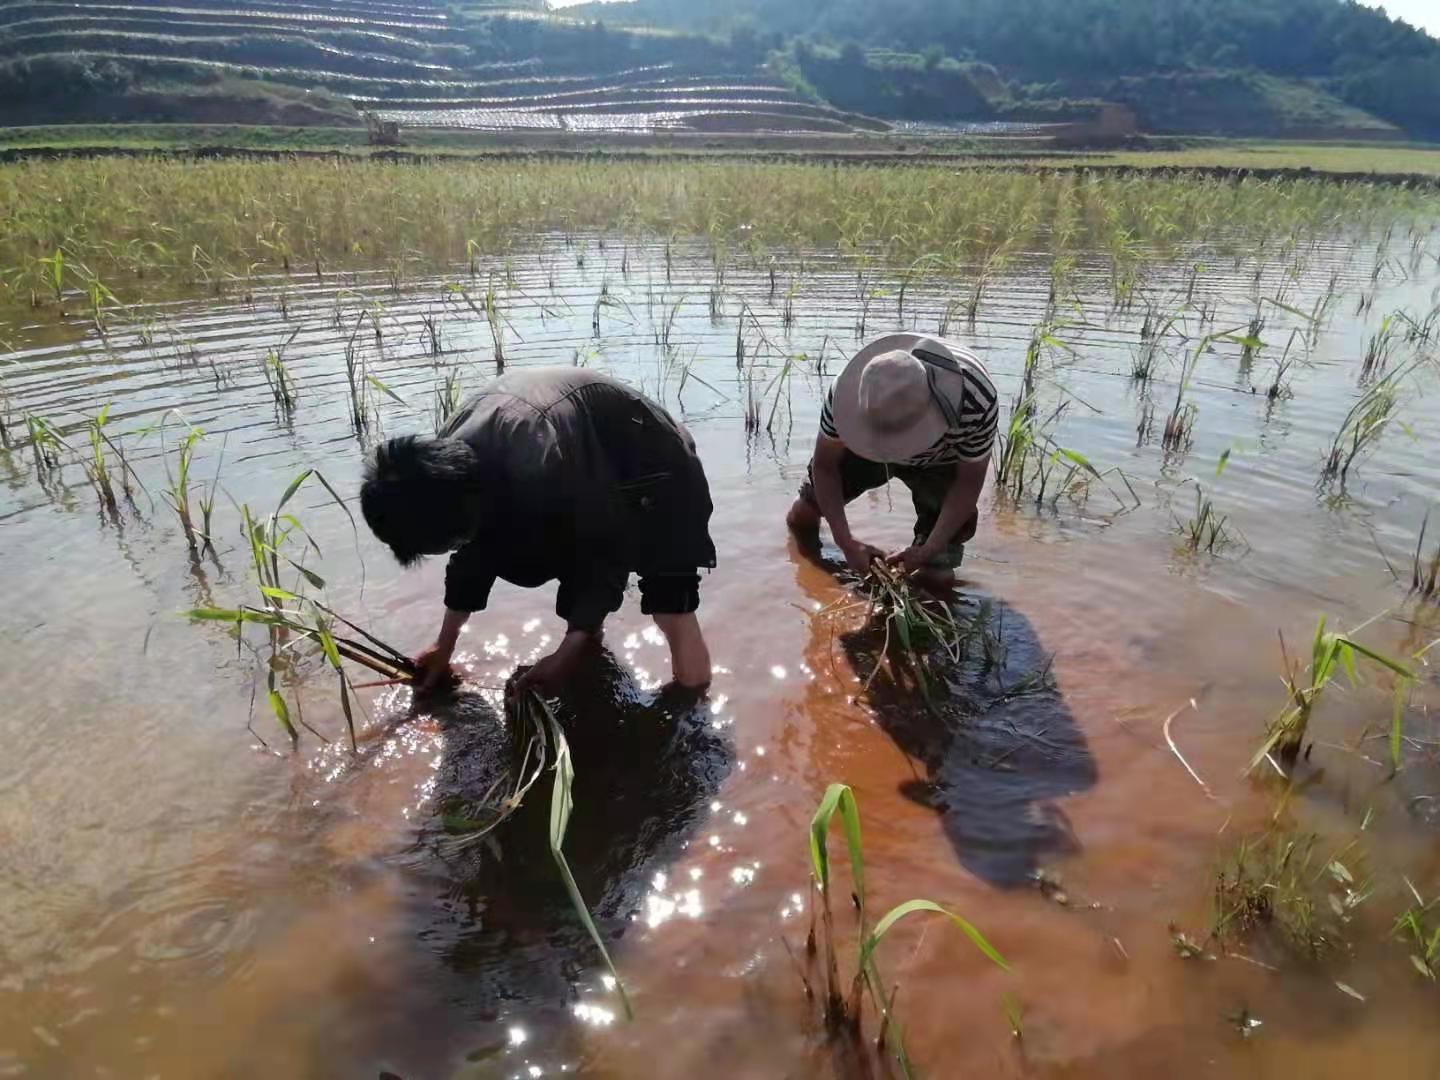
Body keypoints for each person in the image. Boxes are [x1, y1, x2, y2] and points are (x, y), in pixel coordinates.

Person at [360, 369, 716, 693]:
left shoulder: (541, 462)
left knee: (672, 606)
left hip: (654, 466)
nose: (457, 547)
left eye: (451, 541)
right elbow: (473, 554)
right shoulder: (440, 473)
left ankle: (691, 711)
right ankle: (587, 657)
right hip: (582, 459)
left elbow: (603, 553)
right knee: (578, 603)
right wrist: (445, 645)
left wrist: (565, 651)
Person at [787, 333, 997, 592]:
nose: (897, 452)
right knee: (803, 514)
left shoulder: (976, 402)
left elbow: (968, 483)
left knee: (937, 577)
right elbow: (824, 466)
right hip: (868, 445)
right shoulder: (846, 393)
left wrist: (927, 550)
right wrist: (846, 543)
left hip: (941, 460)